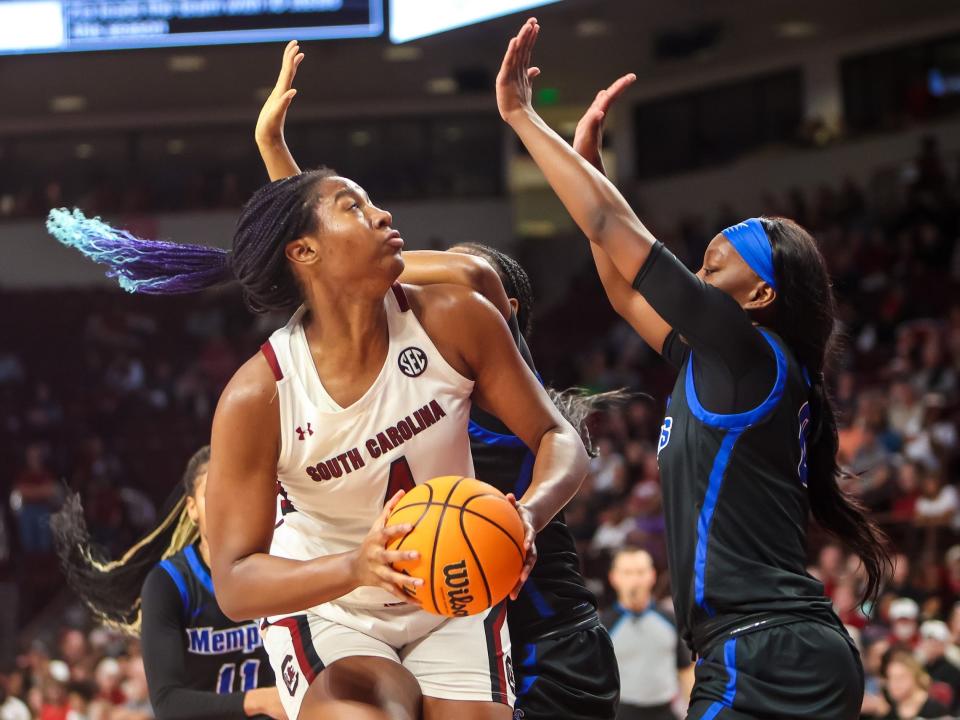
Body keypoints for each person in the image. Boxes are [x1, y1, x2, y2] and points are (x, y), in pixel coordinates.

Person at [49, 86, 588, 720]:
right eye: (355, 207)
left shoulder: (456, 319)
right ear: (304, 252)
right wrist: (357, 566)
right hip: (335, 604)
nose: (384, 215)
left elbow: (562, 441)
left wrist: (528, 515)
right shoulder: (258, 395)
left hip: (454, 588)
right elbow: (238, 582)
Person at [495, 17, 891, 718]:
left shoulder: (748, 350)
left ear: (761, 296)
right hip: (766, 650)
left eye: (723, 257)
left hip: (768, 655)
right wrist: (591, 177)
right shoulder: (725, 364)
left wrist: (523, 118)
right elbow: (621, 287)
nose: (705, 265)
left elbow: (616, 232)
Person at [254, 40, 619, 720]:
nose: (412, 297)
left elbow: (406, 274)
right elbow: (341, 273)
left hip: (550, 636)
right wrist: (283, 172)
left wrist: (301, 193)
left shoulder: (486, 354)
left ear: (502, 311)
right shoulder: (417, 370)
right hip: (465, 616)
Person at [51, 447, 284, 720]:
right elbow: (167, 703)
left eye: (234, 489)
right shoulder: (169, 583)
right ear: (192, 509)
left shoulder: (277, 564)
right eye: (212, 494)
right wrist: (261, 700)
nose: (224, 502)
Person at [602, 547, 693, 720]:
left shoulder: (669, 620)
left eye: (641, 572)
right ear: (614, 578)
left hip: (665, 712)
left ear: (652, 575)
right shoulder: (604, 626)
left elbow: (686, 670)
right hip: (621, 713)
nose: (635, 579)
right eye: (627, 573)